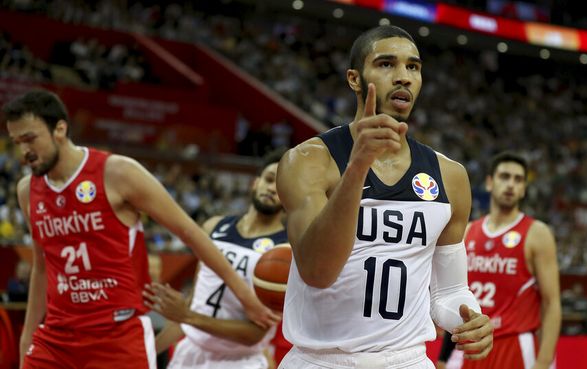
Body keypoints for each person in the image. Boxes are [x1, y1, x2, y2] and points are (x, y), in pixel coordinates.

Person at [3, 90, 279, 369]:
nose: (24, 152)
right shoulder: (27, 190)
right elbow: (41, 266)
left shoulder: (118, 172)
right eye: (16, 142)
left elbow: (190, 233)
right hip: (57, 336)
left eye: (30, 139)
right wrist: (28, 334)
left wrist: (247, 298)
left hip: (116, 334)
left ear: (59, 128)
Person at [276, 25, 493, 369]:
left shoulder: (451, 176)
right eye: (387, 64)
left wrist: (469, 318)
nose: (404, 77)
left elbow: (449, 292)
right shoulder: (308, 160)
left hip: (406, 360)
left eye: (413, 67)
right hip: (321, 361)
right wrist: (357, 168)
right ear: (354, 79)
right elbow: (317, 271)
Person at [143, 149, 288, 369]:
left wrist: (189, 317)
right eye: (269, 179)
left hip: (239, 361)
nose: (272, 188)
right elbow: (195, 302)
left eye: (281, 187)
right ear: (255, 183)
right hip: (189, 354)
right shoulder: (214, 226)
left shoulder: (285, 251)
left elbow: (254, 334)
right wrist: (146, 355)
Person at [438, 151, 561, 369]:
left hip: (515, 345)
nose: (511, 184)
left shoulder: (537, 233)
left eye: (518, 179)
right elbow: (455, 296)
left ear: (523, 189)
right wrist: (443, 357)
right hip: (471, 345)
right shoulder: (467, 232)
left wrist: (544, 362)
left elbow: (551, 303)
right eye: (504, 177)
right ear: (489, 182)